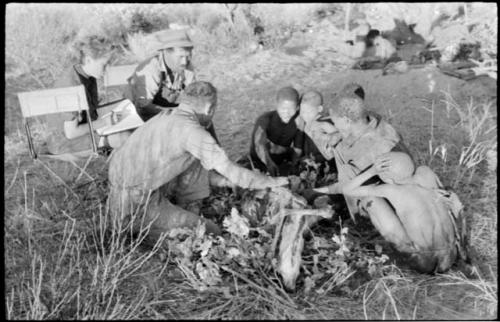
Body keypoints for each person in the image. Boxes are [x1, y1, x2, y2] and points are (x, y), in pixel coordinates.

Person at [108, 81, 288, 241]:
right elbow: (233, 171)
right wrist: (272, 182)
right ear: (209, 109)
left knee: (195, 158)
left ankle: (184, 208)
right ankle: (144, 232)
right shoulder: (193, 132)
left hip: (121, 192)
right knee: (210, 231)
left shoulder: (167, 117)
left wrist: (225, 182)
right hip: (136, 206)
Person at [315, 152, 464, 273]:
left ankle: (367, 231)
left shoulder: (392, 189)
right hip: (451, 256)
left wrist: (372, 170)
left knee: (370, 198)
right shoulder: (427, 175)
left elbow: (348, 190)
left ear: (390, 179)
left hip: (425, 262)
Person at [127, 28, 218, 142]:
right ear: (166, 53)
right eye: (180, 57)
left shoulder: (187, 67)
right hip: (142, 117)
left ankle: (217, 155)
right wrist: (178, 115)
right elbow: (144, 107)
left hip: (168, 110)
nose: (185, 62)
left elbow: (192, 96)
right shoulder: (149, 69)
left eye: (188, 56)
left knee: (204, 120)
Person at [46, 34, 121, 155]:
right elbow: (71, 133)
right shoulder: (70, 85)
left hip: (85, 131)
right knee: (123, 138)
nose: (107, 70)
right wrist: (105, 122)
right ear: (88, 60)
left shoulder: (87, 74)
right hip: (64, 143)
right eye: (104, 65)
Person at [249, 86, 303, 176]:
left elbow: (298, 147)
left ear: (297, 107)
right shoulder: (265, 119)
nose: (286, 112)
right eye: (282, 108)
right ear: (276, 105)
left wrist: (294, 165)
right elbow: (258, 144)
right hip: (261, 160)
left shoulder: (299, 121)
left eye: (290, 109)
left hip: (281, 160)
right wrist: (268, 163)